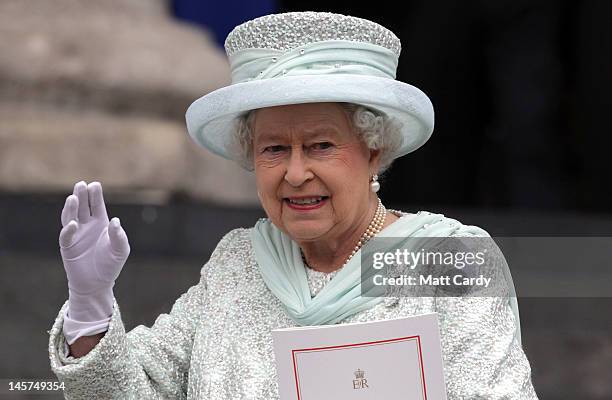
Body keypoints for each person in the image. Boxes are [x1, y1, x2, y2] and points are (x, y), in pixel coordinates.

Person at [48, 12, 538, 399]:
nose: (296, 173)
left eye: (321, 146)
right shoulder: (236, 264)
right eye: (274, 149)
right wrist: (90, 310)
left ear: (373, 150)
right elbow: (134, 393)